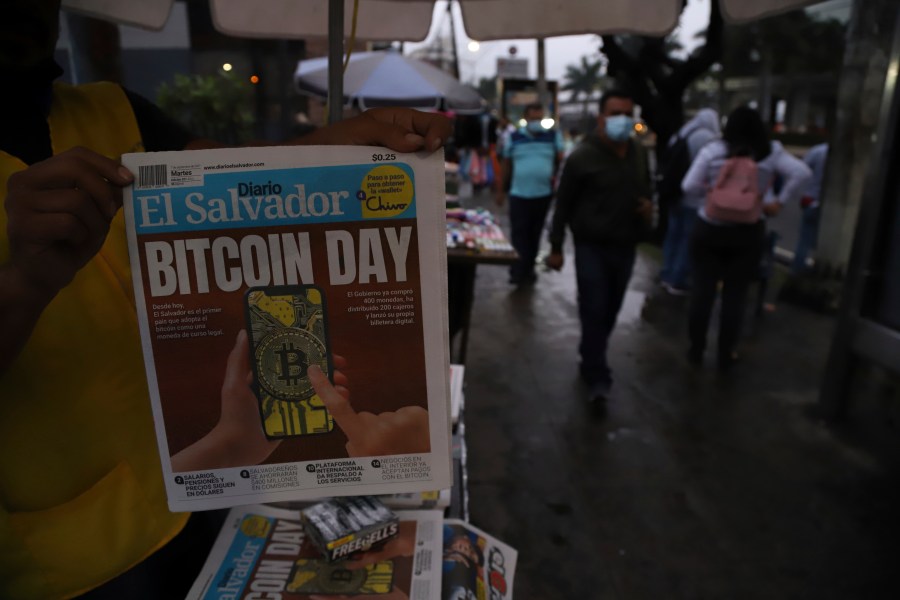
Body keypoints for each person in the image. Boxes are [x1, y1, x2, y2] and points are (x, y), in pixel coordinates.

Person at [0, 1, 451, 598]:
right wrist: (25, 282)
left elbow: (235, 178)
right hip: (68, 560)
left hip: (200, 488)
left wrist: (336, 147)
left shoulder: (112, 109)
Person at [682, 106, 811, 371]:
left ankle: (696, 349)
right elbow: (802, 173)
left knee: (702, 292)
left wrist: (712, 196)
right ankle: (726, 353)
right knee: (735, 296)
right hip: (747, 233)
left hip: (709, 229)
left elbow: (688, 186)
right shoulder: (770, 152)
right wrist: (778, 201)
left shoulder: (714, 151)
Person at [545, 90, 653, 404]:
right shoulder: (582, 156)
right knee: (593, 306)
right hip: (590, 245)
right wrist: (555, 247)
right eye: (616, 113)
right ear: (602, 117)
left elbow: (646, 188)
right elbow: (563, 205)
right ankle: (597, 375)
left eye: (628, 113)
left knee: (610, 309)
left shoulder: (637, 152)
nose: (623, 120)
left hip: (625, 244)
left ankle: (590, 353)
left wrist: (648, 208)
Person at [496, 103, 564, 286]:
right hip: (519, 194)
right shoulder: (514, 137)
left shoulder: (553, 136)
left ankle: (528, 270)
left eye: (539, 118)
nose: (536, 121)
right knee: (519, 234)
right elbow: (506, 165)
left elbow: (560, 161)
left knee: (535, 235)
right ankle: (517, 271)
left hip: (543, 195)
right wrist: (500, 190)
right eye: (533, 118)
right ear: (525, 118)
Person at [658, 108, 721, 295]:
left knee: (672, 235)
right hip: (694, 198)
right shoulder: (707, 139)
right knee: (688, 240)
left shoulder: (682, 134)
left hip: (674, 194)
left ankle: (666, 273)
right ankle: (678, 279)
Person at [792, 142, 828, 273]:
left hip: (812, 199)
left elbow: (801, 170)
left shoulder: (818, 151)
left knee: (804, 240)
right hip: (829, 205)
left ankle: (796, 272)